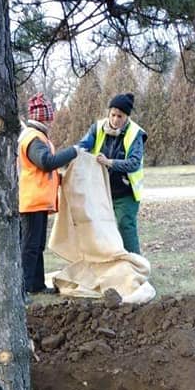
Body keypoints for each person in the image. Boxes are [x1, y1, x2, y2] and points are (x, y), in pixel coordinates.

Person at [18, 93, 78, 294]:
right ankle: (24, 289)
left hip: (38, 200)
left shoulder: (37, 136)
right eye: (49, 117)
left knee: (37, 246)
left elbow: (45, 169)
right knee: (30, 247)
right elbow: (45, 162)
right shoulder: (33, 138)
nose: (51, 122)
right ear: (43, 117)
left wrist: (61, 179)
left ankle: (36, 285)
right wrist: (73, 152)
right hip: (31, 201)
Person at [79, 92, 147, 254]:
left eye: (120, 116)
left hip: (126, 193)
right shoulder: (98, 128)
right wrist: (71, 155)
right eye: (113, 115)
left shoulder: (136, 134)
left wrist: (109, 162)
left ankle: (135, 268)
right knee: (103, 231)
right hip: (102, 192)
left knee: (125, 227)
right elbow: (83, 145)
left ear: (127, 117)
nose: (115, 120)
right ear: (108, 113)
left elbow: (134, 163)